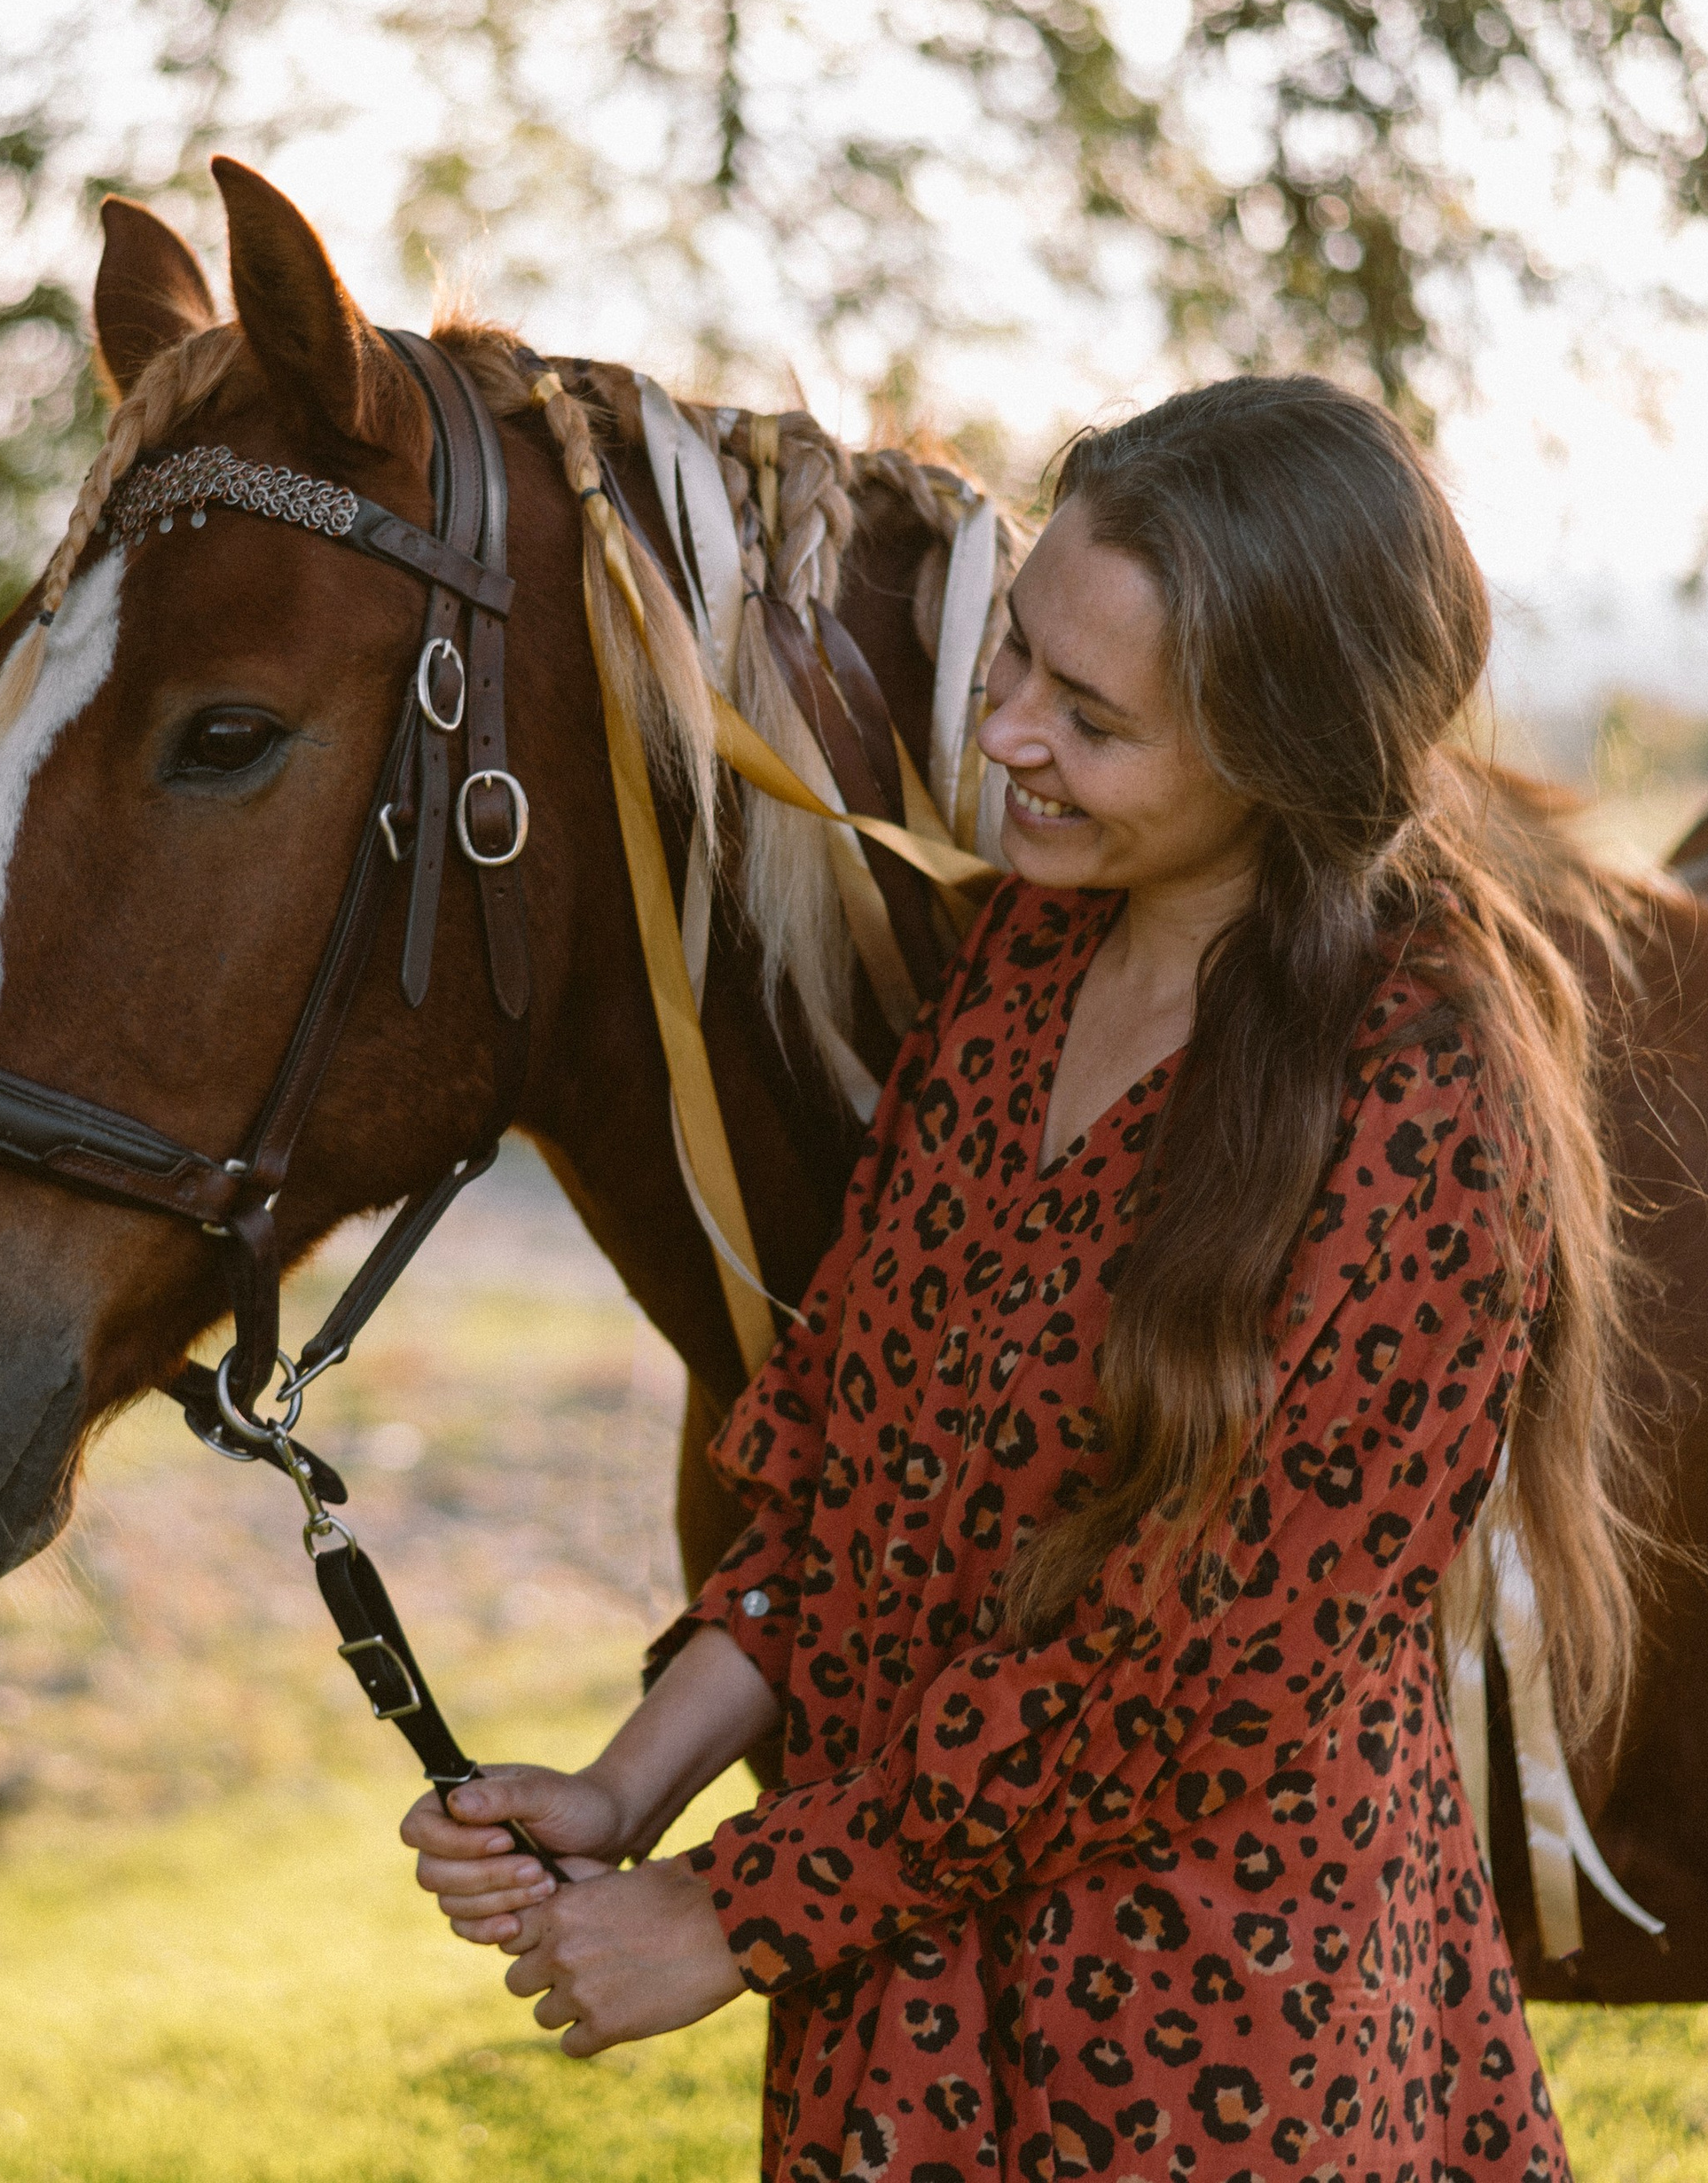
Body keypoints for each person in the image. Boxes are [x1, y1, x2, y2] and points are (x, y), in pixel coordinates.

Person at [403, 375, 1638, 2183]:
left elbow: (1200, 1664)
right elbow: (839, 1455)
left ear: (1284, 744)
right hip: (905, 2011)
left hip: (1212, 2048)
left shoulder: (1425, 1088)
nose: (1000, 741)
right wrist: (623, 1786)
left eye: (1089, 715)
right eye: (1010, 668)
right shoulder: (1012, 967)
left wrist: (735, 1911)